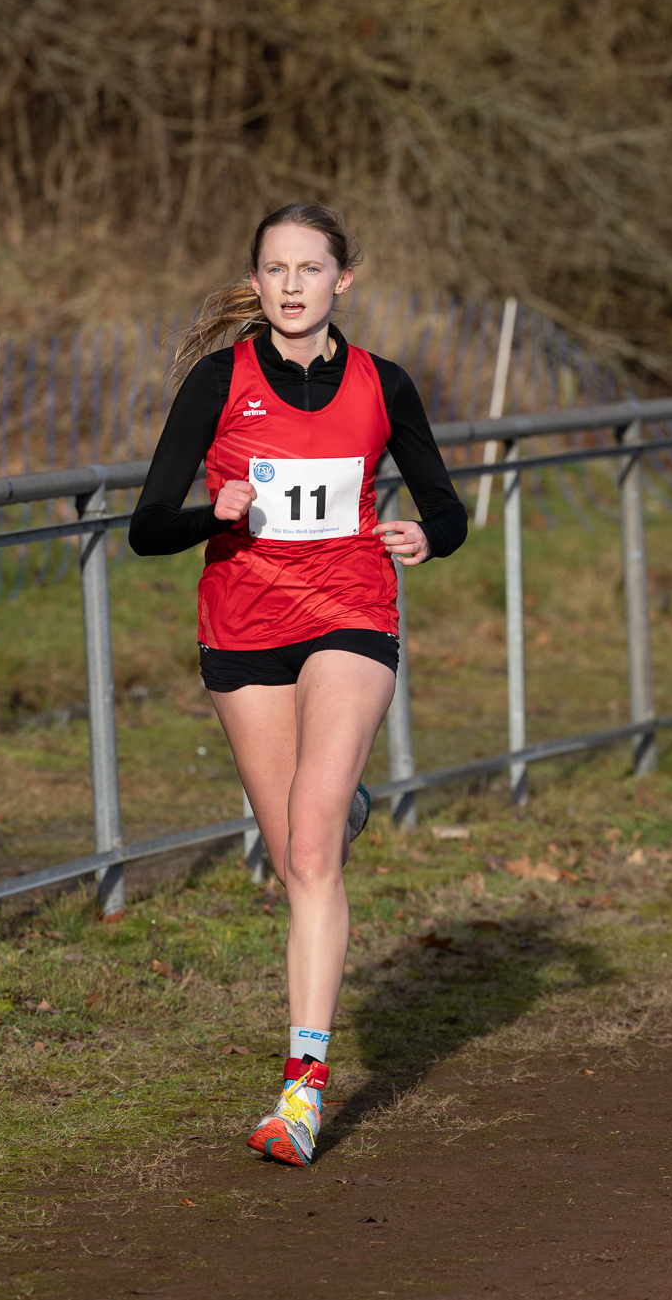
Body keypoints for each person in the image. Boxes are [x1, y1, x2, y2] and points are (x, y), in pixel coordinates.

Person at [129, 203, 466, 1166]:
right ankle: (343, 800)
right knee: (295, 858)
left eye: (309, 269)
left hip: (352, 610)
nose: (290, 285)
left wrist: (426, 535)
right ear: (257, 280)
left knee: (312, 848)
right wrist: (215, 512)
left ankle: (302, 1090)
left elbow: (447, 507)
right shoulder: (218, 382)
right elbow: (147, 525)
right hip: (243, 629)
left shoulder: (383, 383)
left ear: (340, 280)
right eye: (275, 269)